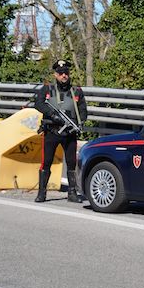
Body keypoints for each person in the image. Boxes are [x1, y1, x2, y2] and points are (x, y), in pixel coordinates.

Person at [34, 60, 88, 203]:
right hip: (51, 131)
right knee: (46, 162)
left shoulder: (76, 91)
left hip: (69, 133)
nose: (64, 75)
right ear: (55, 74)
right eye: (60, 73)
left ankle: (72, 193)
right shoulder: (47, 89)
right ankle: (41, 193)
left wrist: (80, 122)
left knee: (71, 163)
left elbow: (83, 110)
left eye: (66, 73)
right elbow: (38, 103)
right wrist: (52, 115)